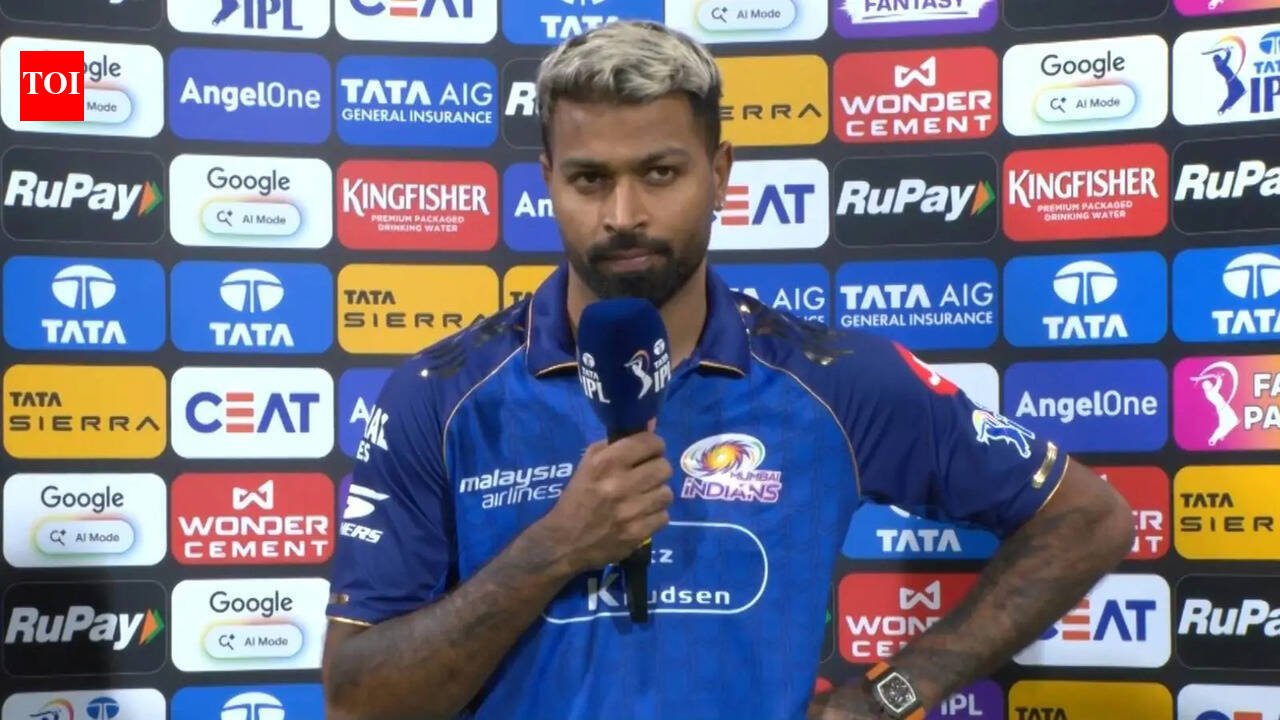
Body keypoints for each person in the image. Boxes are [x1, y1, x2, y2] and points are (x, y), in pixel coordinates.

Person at [321, 20, 1135, 720]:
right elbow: (357, 699)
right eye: (590, 179)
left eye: (660, 173)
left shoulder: (832, 377)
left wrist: (889, 695)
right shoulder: (441, 395)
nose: (624, 215)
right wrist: (555, 548)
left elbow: (1086, 520)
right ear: (548, 184)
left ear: (721, 173)